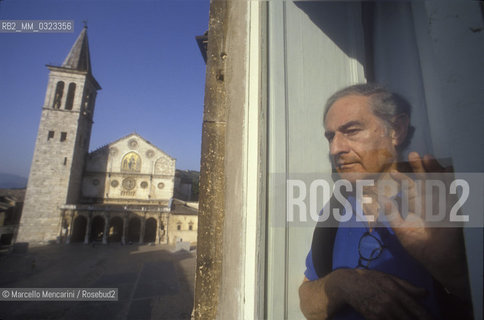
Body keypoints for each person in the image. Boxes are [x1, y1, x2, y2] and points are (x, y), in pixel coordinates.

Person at [299, 84, 472, 320]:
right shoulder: (335, 210)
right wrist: (341, 284)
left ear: (396, 130)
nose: (336, 148)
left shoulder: (444, 207)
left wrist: (453, 270)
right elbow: (307, 300)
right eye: (331, 136)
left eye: (351, 131)